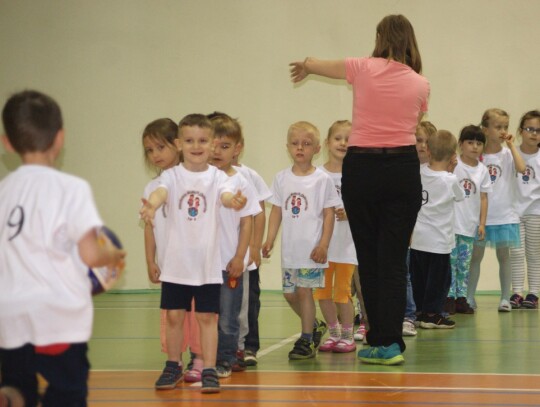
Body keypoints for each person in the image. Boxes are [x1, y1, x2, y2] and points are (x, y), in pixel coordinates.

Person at [289, 14, 429, 365]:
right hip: (402, 169)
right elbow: (414, 118)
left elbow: (320, 64)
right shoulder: (420, 83)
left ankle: (380, 338)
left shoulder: (362, 68)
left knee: (369, 258)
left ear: (380, 38)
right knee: (394, 261)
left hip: (363, 169)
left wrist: (306, 66)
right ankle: (391, 342)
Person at [0, 90, 126, 407]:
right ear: (60, 138)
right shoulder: (71, 188)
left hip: (9, 315)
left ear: (7, 143)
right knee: (67, 392)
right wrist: (113, 256)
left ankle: (11, 396)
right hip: (56, 316)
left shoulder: (3, 191)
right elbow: (91, 255)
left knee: (19, 384)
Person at [139, 114, 247, 394]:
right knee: (174, 317)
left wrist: (232, 201)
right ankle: (173, 365)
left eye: (202, 140)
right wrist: (151, 205)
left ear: (212, 144)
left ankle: (208, 368)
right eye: (189, 140)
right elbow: (160, 193)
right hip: (177, 264)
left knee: (207, 319)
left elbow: (225, 196)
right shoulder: (171, 176)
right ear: (179, 144)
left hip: (207, 264)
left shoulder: (218, 177)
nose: (196, 146)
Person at [262, 121, 340, 360]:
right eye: (295, 143)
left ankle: (306, 339)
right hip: (290, 251)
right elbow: (276, 211)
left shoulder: (322, 179)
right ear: (288, 147)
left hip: (311, 251)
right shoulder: (281, 178)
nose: (300, 148)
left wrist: (324, 244)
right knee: (290, 294)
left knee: (305, 292)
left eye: (306, 144)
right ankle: (314, 325)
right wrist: (269, 239)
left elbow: (329, 213)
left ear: (317, 149)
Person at [141, 119, 204, 383]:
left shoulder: (196, 181)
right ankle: (174, 362)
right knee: (173, 316)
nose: (155, 155)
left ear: (177, 146)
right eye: (149, 150)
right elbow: (149, 227)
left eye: (160, 147)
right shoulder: (151, 188)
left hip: (196, 265)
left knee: (198, 314)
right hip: (170, 267)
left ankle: (199, 358)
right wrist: (150, 260)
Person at [208, 113, 261, 378]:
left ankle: (225, 360)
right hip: (202, 265)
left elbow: (247, 223)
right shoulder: (199, 179)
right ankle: (200, 358)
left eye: (225, 146)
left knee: (229, 317)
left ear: (237, 149)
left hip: (229, 263)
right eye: (212, 145)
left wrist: (241, 256)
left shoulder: (241, 182)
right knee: (204, 316)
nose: (217, 151)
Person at [467, 109, 526, 312]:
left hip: (504, 214)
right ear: (485, 129)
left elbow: (521, 169)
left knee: (504, 257)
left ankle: (504, 298)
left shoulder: (508, 153)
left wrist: (511, 146)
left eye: (505, 127)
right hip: (481, 217)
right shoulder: (478, 155)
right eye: (497, 126)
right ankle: (469, 297)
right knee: (475, 257)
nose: (502, 131)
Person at [410, 130, 465, 329]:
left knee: (419, 277)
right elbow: (460, 197)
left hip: (418, 238)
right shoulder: (449, 180)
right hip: (439, 241)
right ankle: (432, 314)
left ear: (429, 152)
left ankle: (419, 312)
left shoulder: (420, 171)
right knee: (439, 280)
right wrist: (451, 172)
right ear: (453, 156)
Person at [314, 120, 357, 354]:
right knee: (321, 292)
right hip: (322, 247)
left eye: (348, 139)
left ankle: (348, 334)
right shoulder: (318, 175)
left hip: (346, 245)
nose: (342, 143)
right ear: (327, 143)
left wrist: (351, 213)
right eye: (338, 138)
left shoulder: (357, 174)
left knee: (342, 292)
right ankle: (333, 332)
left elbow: (365, 207)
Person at [446, 125, 491, 315]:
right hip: (450, 225)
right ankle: (448, 298)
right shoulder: (454, 166)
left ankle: (461, 298)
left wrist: (482, 223)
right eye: (470, 142)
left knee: (464, 264)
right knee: (450, 263)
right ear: (460, 144)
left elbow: (483, 197)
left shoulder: (483, 170)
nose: (474, 147)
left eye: (479, 143)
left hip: (469, 226)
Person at [509, 110, 540, 309]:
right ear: (521, 131)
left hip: (536, 212)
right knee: (516, 253)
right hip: (514, 212)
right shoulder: (512, 153)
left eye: (538, 130)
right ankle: (517, 292)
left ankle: (534, 293)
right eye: (529, 129)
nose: (534, 134)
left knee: (534, 253)